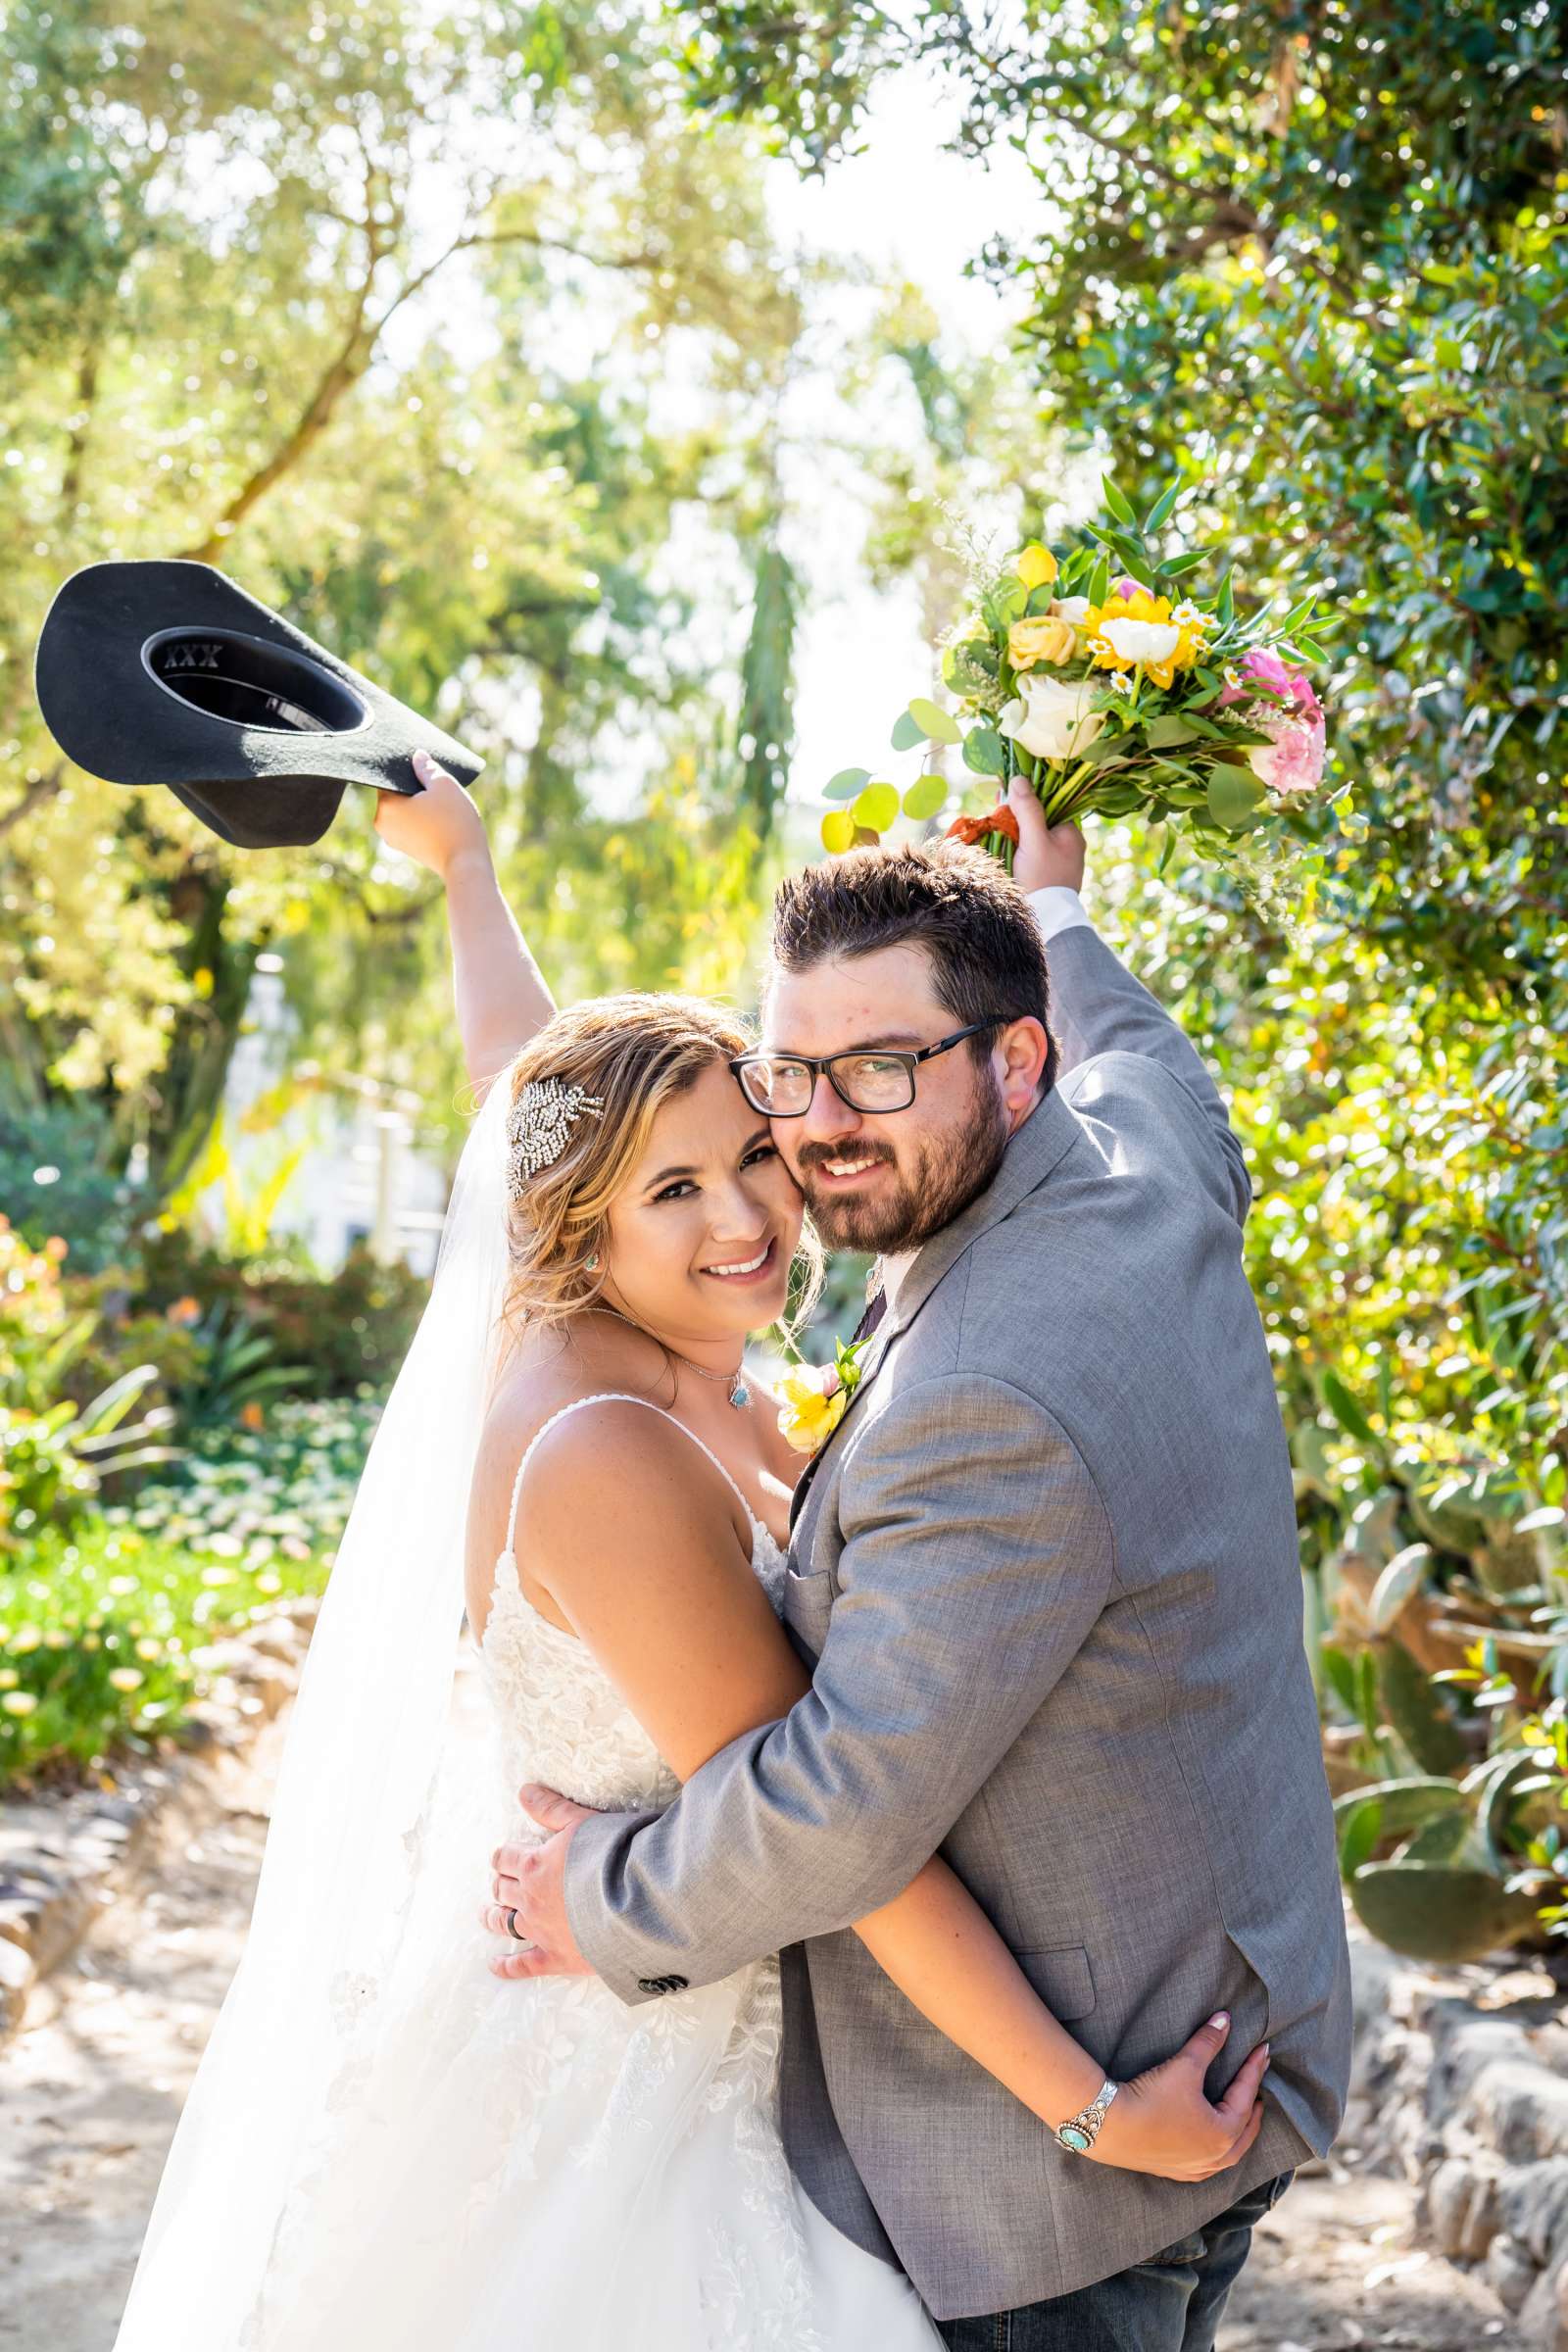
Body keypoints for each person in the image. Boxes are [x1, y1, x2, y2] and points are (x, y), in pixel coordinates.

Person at [106, 758, 1269, 2352]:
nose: (747, 1219)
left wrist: (466, 866)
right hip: (637, 2086)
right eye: (674, 1190)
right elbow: (840, 1827)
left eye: (756, 1154)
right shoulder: (615, 1453)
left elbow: (517, 1072)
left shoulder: (631, 1339)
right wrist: (1085, 2115)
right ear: (578, 1221)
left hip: (723, 2041)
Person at [485, 766, 1354, 2350]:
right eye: (793, 1071)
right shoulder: (1138, 1148)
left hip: (1066, 2175)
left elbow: (844, 1807)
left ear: (1017, 1063)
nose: (815, 1130)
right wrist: (1055, 895)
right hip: (1232, 2006)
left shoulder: (987, 1401)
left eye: (881, 1070)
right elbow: (1142, 1047)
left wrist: (597, 1893)